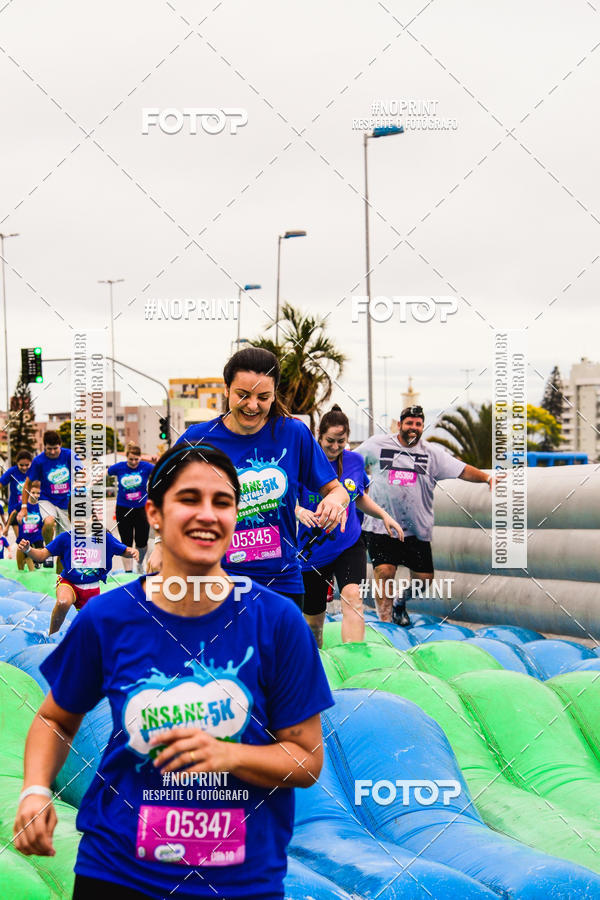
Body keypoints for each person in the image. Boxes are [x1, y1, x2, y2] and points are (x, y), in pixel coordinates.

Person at [13, 442, 333, 900]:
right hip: (118, 873)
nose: (208, 514)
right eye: (189, 499)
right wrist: (35, 789)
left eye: (222, 502)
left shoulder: (278, 622)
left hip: (241, 883)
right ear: (155, 514)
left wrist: (231, 756)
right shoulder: (108, 618)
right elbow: (55, 718)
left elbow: (306, 758)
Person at [148, 347, 349, 610]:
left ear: (274, 394)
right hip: (215, 580)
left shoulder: (293, 433)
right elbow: (163, 491)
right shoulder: (199, 438)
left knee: (281, 652)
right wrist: (161, 544)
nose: (253, 405)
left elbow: (336, 489)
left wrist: (335, 501)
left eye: (263, 397)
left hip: (282, 582)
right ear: (226, 390)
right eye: (243, 395)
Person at [357, 405, 494, 626]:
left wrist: (488, 478)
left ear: (422, 427)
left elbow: (462, 469)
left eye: (418, 424)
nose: (413, 427)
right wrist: (349, 485)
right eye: (409, 423)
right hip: (382, 526)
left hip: (416, 529)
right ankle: (386, 623)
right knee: (384, 571)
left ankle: (401, 602)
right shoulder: (377, 445)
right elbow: (353, 463)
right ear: (400, 424)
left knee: (424, 580)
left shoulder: (431, 454)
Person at [296, 405, 404, 647]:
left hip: (349, 543)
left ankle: (353, 656)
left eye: (341, 442)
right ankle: (318, 661)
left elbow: (360, 497)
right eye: (330, 441)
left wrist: (383, 515)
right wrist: (300, 511)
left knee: (353, 596)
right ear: (319, 436)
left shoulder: (354, 461)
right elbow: (286, 499)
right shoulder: (304, 462)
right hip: (312, 551)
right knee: (313, 622)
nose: (335, 447)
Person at [19, 527, 138, 633]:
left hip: (91, 589)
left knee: (92, 629)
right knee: (63, 602)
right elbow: (41, 556)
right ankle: (52, 635)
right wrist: (28, 550)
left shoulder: (104, 538)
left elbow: (123, 551)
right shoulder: (66, 538)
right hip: (68, 583)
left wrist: (131, 551)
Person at [20, 432, 72, 567]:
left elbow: (82, 473)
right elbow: (27, 484)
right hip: (47, 499)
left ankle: (59, 578)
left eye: (55, 448)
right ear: (44, 447)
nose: (53, 452)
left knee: (65, 544)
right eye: (49, 449)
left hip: (67, 503)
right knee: (49, 522)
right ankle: (48, 551)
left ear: (60, 445)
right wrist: (24, 507)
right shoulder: (39, 461)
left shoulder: (69, 456)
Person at [108, 442, 154, 573]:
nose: (133, 462)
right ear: (126, 458)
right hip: (123, 508)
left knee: (142, 542)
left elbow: (162, 471)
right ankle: (128, 571)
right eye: (130, 459)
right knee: (126, 542)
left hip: (141, 509)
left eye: (136, 459)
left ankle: (139, 564)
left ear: (140, 458)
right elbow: (105, 473)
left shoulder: (146, 467)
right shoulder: (119, 467)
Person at [0, 450, 32, 540]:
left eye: (27, 465)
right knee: (21, 541)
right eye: (21, 465)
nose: (24, 467)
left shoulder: (34, 471)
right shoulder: (12, 472)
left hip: (31, 509)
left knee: (33, 540)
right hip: (14, 510)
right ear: (17, 463)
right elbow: (1, 484)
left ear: (31, 463)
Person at [14, 480, 44, 572]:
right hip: (24, 537)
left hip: (37, 537)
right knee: (20, 567)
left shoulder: (42, 506)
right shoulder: (22, 505)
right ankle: (24, 563)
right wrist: (7, 526)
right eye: (33, 492)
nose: (35, 495)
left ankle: (31, 564)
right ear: (28, 492)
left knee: (34, 565)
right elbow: (13, 513)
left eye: (38, 493)